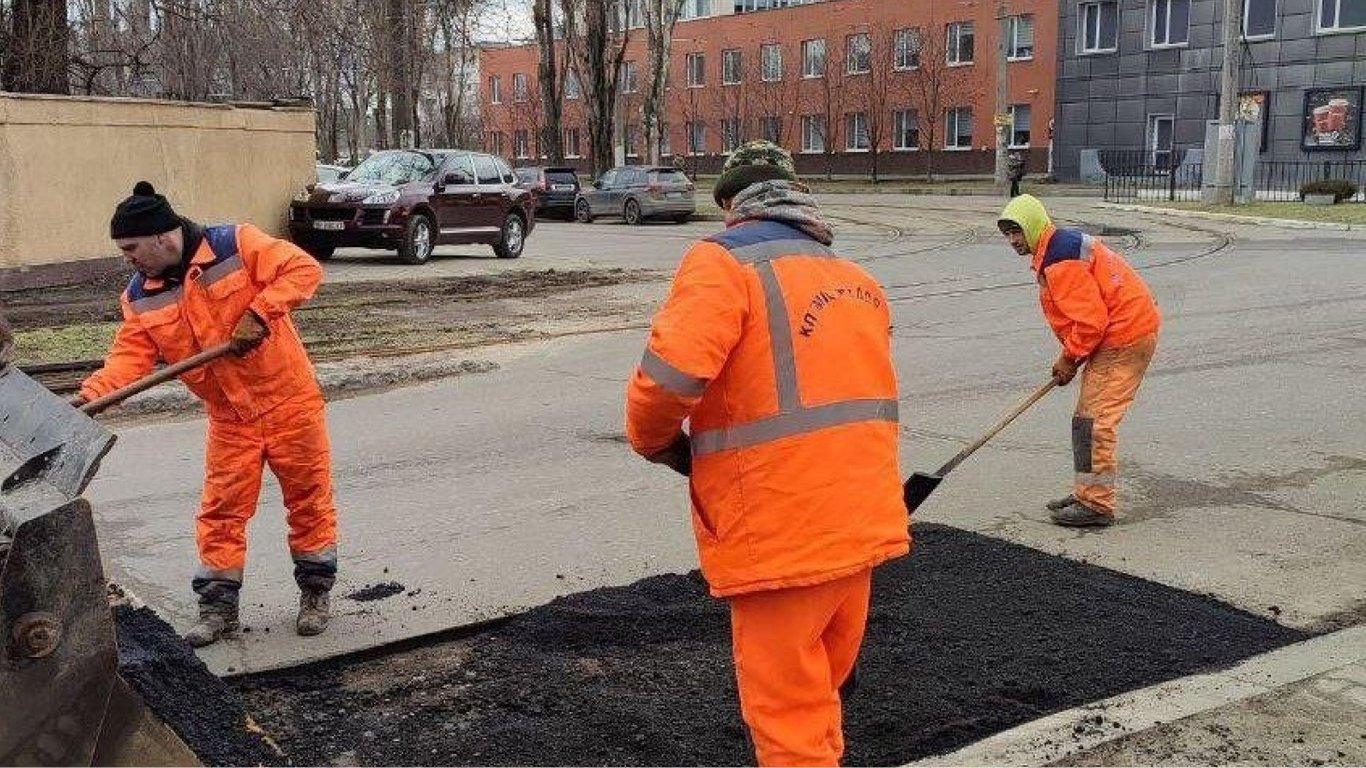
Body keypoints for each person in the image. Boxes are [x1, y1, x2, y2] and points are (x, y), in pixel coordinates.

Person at [626, 141, 908, 766]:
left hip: (781, 531)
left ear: (731, 203)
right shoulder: (857, 279)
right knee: (821, 693)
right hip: (862, 523)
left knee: (787, 716)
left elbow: (665, 385)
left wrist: (660, 445)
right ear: (794, 194)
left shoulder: (722, 263)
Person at [77, 181, 339, 647]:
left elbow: (301, 268)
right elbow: (128, 360)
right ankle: (217, 610)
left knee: (308, 499)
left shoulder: (234, 245)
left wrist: (260, 313)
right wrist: (88, 399)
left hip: (289, 402)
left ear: (162, 236)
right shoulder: (141, 296)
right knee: (221, 513)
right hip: (230, 419)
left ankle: (315, 594)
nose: (128, 259)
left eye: (132, 248)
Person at [996, 194, 1160, 528]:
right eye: (1008, 233)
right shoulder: (1057, 247)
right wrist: (1074, 355)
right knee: (1086, 419)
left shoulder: (1061, 260)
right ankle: (1088, 492)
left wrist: (1069, 358)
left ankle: (1097, 504)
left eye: (1017, 232)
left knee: (1094, 422)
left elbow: (1090, 322)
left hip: (1123, 335)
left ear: (1034, 225)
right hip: (1120, 331)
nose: (1013, 240)